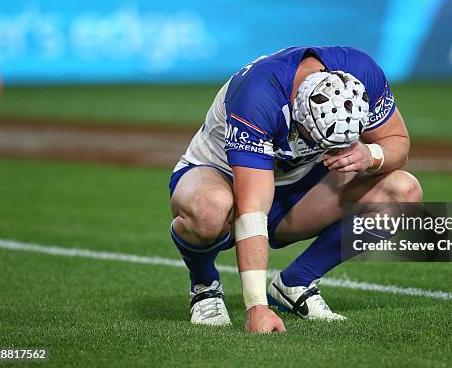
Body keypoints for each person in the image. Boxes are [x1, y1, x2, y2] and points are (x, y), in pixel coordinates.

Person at [169, 46, 422, 333]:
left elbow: (396, 140)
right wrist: (256, 307)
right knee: (209, 209)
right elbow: (252, 208)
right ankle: (204, 285)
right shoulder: (258, 96)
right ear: (297, 113)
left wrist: (371, 154)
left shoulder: (363, 71)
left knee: (403, 192)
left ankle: (295, 282)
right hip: (220, 175)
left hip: (297, 187)